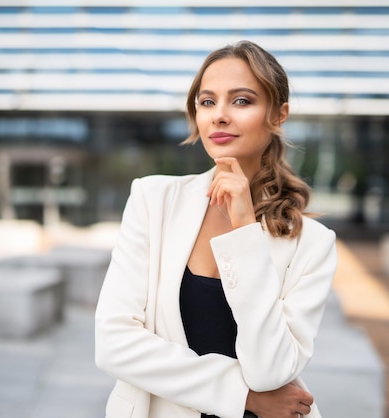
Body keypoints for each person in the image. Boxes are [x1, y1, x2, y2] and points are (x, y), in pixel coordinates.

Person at [95, 40, 337, 418]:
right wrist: (244, 396)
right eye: (207, 102)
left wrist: (244, 231)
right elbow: (114, 344)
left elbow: (271, 369)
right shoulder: (153, 199)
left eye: (241, 101)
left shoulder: (313, 244)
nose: (219, 116)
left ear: (278, 114)